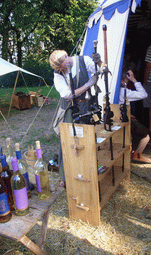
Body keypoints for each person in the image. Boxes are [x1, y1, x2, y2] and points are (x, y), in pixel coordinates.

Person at [49, 50, 102, 187]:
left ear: (67, 55)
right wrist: (88, 84)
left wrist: (100, 62)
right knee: (66, 140)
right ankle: (64, 176)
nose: (66, 66)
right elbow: (67, 95)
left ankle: (87, 171)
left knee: (87, 139)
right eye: (62, 67)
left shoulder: (83, 60)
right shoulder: (58, 74)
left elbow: (98, 70)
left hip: (86, 105)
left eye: (65, 61)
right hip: (69, 108)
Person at [120, 70, 151, 164]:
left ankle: (133, 153)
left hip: (117, 119)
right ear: (122, 81)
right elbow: (144, 94)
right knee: (146, 134)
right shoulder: (125, 92)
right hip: (124, 121)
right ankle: (136, 155)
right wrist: (134, 79)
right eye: (126, 79)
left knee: (135, 127)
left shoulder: (111, 90)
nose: (128, 81)